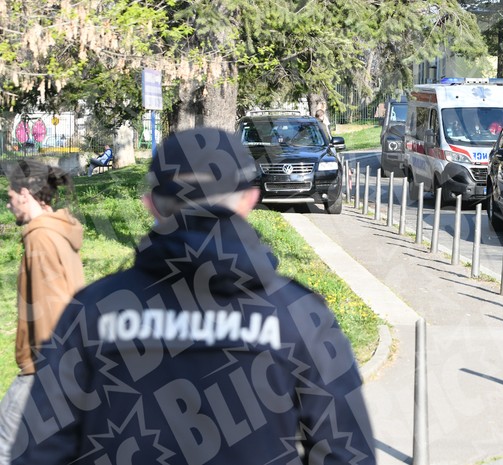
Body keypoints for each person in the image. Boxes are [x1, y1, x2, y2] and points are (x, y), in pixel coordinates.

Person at [11, 128, 376, 465]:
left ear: (151, 204)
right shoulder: (300, 316)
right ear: (250, 199)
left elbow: (40, 451)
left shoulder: (91, 312)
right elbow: (347, 453)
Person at [0, 160, 83, 465]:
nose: (10, 207)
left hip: (42, 370)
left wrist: (52, 379)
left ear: (25, 194)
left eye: (10, 198)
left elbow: (53, 307)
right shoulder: (59, 232)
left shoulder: (40, 238)